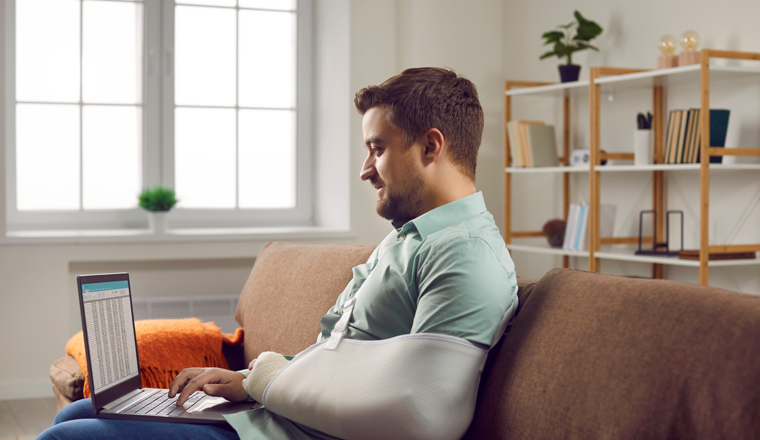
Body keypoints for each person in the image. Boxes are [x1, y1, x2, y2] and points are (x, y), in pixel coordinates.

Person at [38, 67, 518, 440]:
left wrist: (259, 381)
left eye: (377, 149)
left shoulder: (465, 254)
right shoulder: (408, 237)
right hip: (280, 416)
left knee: (70, 435)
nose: (365, 170)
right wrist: (245, 377)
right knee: (83, 410)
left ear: (431, 146)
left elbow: (423, 416)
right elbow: (341, 358)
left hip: (298, 430)